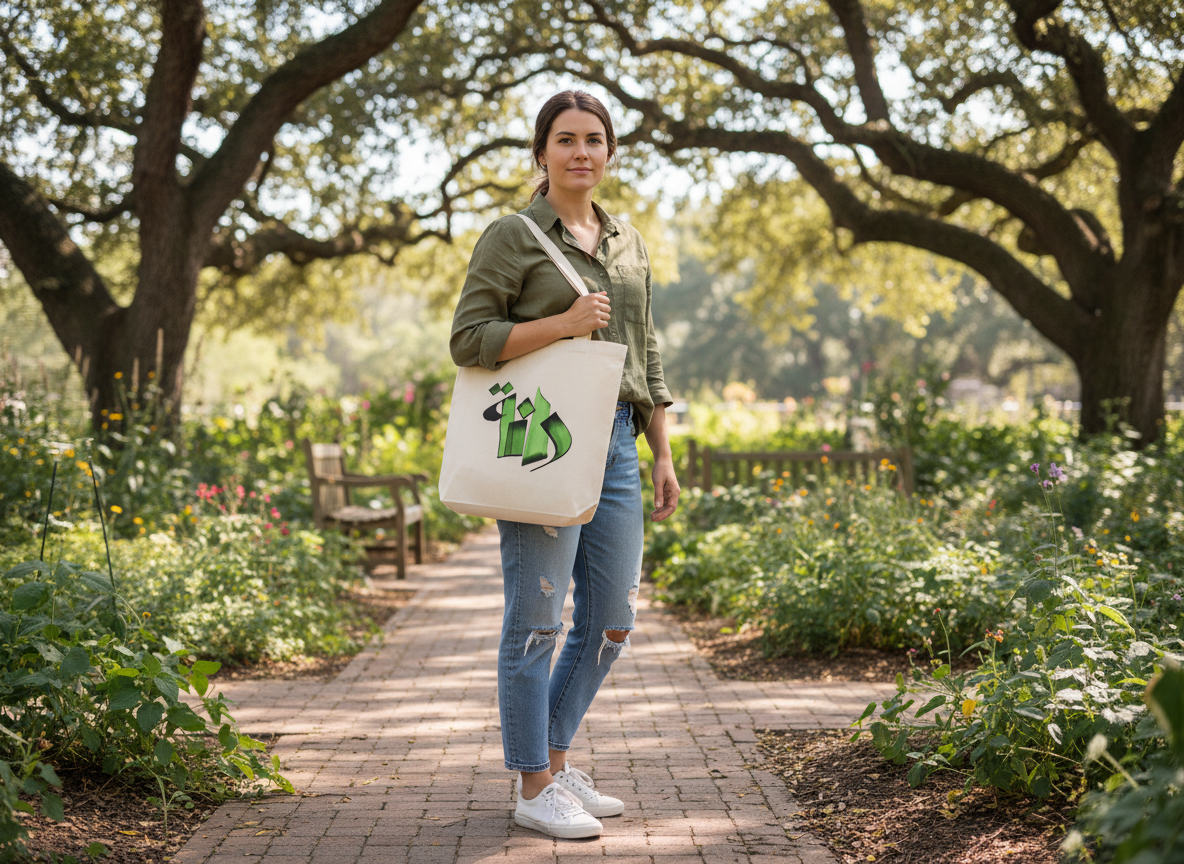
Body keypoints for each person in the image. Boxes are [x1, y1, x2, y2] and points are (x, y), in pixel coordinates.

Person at [449, 90, 680, 839]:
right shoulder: (511, 236)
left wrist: (663, 454)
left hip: (616, 439)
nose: (582, 151)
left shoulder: (628, 242)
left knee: (613, 619)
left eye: (595, 139)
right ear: (542, 152)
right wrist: (562, 324)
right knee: (537, 623)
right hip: (544, 437)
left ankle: (553, 758)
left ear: (609, 152)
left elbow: (646, 355)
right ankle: (532, 785)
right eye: (566, 138)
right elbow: (469, 338)